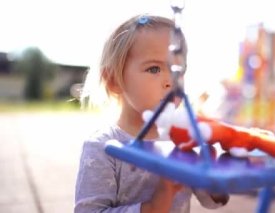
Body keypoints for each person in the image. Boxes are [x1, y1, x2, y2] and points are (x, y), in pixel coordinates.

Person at [75, 14, 229, 213]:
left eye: (178, 71)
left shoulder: (181, 141)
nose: (170, 81)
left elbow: (210, 201)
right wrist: (153, 207)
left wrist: (214, 183)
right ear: (114, 80)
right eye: (154, 69)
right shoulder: (103, 147)